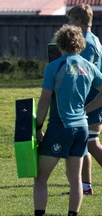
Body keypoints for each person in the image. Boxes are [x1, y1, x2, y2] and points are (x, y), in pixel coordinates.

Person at [34, 25, 102, 216]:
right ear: (79, 43)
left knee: (40, 177)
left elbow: (44, 100)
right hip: (82, 128)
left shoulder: (54, 66)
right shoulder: (89, 66)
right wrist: (86, 110)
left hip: (60, 127)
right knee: (75, 180)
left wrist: (38, 126)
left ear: (59, 43)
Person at [68, 4, 102, 195]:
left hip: (92, 99)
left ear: (79, 21)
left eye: (71, 21)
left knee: (92, 143)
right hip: (92, 98)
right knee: (86, 142)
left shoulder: (86, 44)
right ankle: (85, 187)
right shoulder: (94, 39)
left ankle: (85, 186)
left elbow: (83, 74)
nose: (69, 25)